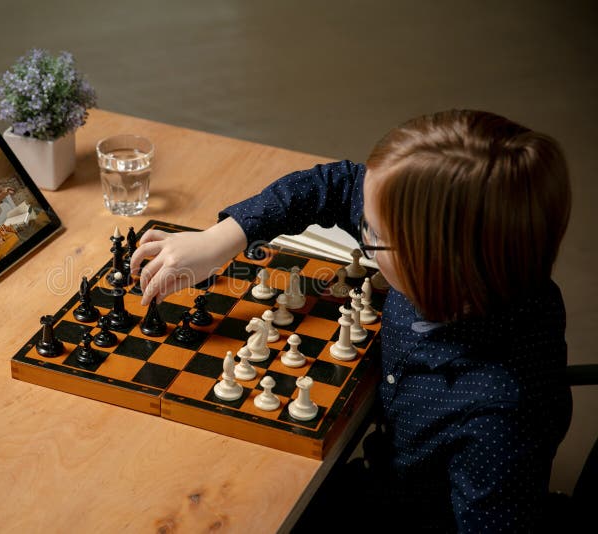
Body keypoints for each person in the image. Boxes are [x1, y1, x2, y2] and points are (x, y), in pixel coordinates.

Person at [129, 110, 572, 532]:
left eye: (373, 237)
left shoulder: (499, 422)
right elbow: (334, 184)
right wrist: (222, 239)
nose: (362, 237)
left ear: (431, 267)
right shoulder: (458, 263)